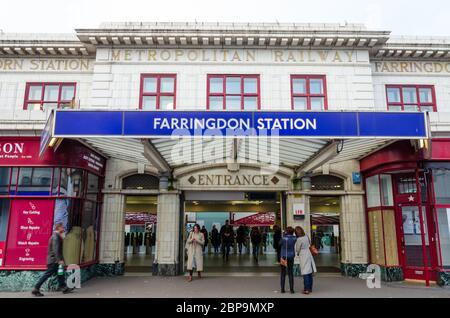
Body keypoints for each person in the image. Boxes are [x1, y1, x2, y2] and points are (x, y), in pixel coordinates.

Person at [31, 223, 74, 296]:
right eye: (62, 227)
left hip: (54, 260)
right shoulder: (55, 237)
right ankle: (36, 288)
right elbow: (56, 249)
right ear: (59, 228)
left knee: (60, 273)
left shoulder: (56, 236)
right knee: (47, 274)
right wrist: (59, 260)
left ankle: (64, 287)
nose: (63, 229)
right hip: (54, 261)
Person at [295, 226, 317, 295]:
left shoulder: (299, 239)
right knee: (309, 271)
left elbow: (297, 249)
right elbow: (309, 243)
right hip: (308, 253)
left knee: (305, 272)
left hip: (303, 254)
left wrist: (298, 253)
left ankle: (306, 289)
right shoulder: (306, 236)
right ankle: (310, 288)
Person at [279, 227, 297, 294]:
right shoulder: (295, 238)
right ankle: (292, 289)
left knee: (283, 273)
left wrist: (283, 235)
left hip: (283, 256)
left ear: (286, 232)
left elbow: (279, 243)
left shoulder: (284, 238)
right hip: (291, 256)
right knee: (290, 273)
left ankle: (282, 289)